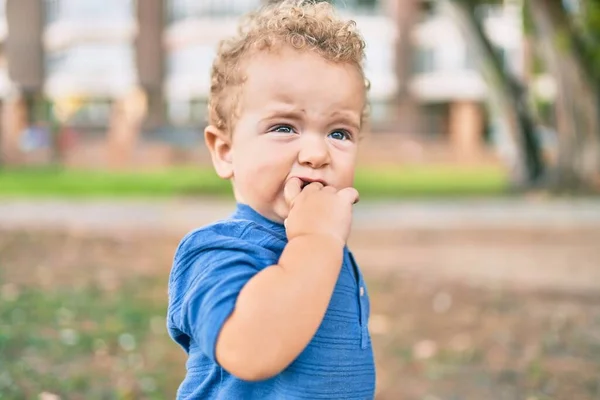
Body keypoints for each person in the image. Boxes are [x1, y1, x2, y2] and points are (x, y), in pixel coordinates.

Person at [167, 1, 375, 398]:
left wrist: (318, 244)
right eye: (285, 126)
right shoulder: (215, 252)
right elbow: (250, 351)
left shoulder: (326, 250)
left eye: (339, 132)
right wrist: (316, 243)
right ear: (225, 151)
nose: (317, 153)